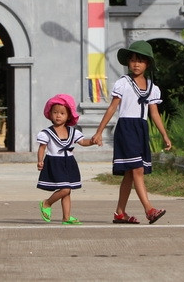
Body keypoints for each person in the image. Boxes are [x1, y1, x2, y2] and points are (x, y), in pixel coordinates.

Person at [92, 40, 172, 225]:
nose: (136, 64)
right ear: (128, 62)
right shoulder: (123, 83)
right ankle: (149, 210)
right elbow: (112, 108)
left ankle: (120, 213)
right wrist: (99, 132)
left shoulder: (153, 88)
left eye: (141, 60)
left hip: (141, 129)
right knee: (137, 169)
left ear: (148, 64)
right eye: (133, 60)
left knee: (131, 173)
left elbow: (154, 113)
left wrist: (164, 135)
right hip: (126, 129)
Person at [36, 93, 96, 225]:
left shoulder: (73, 132)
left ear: (68, 116)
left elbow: (82, 142)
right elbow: (42, 148)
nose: (58, 115)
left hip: (69, 163)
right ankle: (47, 203)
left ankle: (66, 217)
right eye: (55, 112)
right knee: (65, 189)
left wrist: (92, 141)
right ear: (50, 114)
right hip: (54, 162)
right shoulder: (47, 133)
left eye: (62, 113)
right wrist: (40, 160)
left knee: (67, 191)